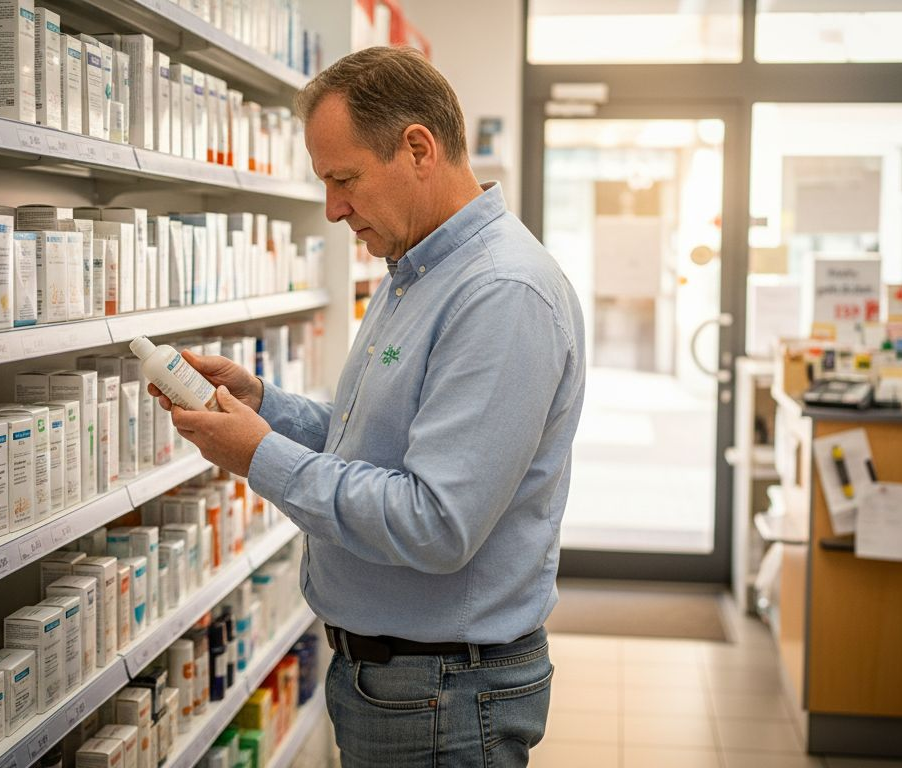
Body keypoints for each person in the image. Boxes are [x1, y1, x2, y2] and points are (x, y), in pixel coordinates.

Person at [149, 46, 586, 767]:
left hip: (444, 692)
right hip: (402, 680)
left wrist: (260, 456)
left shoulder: (501, 293)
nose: (333, 209)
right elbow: (380, 445)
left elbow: (437, 522)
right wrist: (265, 407)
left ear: (418, 148)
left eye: (344, 179)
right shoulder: (416, 268)